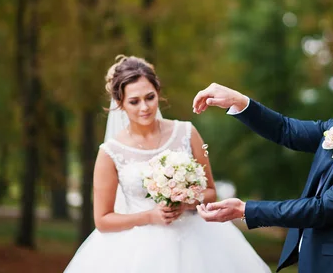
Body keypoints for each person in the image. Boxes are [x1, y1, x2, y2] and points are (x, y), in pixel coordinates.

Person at [193, 51, 333, 273]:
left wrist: (245, 210)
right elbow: (287, 130)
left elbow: (322, 209)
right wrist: (239, 102)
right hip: (313, 256)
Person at [64, 55, 270, 273]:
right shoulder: (110, 152)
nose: (144, 107)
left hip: (198, 243)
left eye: (149, 97)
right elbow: (103, 219)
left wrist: (186, 203)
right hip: (136, 249)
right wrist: (150, 216)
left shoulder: (187, 132)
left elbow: (211, 192)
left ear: (158, 93)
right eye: (134, 101)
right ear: (120, 104)